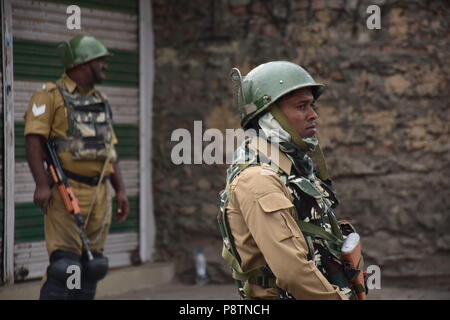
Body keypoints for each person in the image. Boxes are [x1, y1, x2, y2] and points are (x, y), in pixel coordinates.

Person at [218, 61, 366, 300]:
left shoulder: (289, 167)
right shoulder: (258, 179)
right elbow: (293, 273)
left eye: (312, 105)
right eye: (301, 106)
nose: (313, 115)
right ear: (269, 116)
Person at [24, 35, 129, 300]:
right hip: (66, 190)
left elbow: (110, 152)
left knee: (93, 267)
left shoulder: (100, 99)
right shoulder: (50, 96)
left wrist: (121, 191)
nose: (105, 65)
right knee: (65, 268)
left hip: (100, 194)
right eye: (100, 60)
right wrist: (41, 184)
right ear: (82, 62)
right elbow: (34, 139)